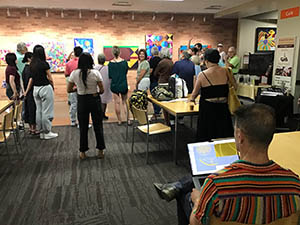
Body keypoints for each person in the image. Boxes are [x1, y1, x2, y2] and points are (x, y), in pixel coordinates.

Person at [154, 103, 300, 225]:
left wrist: (198, 200)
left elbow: (195, 222)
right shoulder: (294, 184)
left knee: (186, 196)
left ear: (240, 136)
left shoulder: (217, 185)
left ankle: (178, 190)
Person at [189, 49, 235, 142]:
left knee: (207, 137)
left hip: (208, 110)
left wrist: (191, 99)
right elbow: (235, 86)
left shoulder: (202, 75)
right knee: (223, 136)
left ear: (206, 61)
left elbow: (194, 94)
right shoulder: (226, 71)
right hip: (223, 108)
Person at [67, 53, 106, 160]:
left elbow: (69, 90)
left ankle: (82, 152)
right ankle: (100, 151)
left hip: (82, 101)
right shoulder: (95, 73)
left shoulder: (74, 73)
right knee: (98, 126)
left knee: (83, 127)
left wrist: (78, 89)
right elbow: (102, 90)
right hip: (94, 100)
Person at [30, 45, 58, 140]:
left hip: (35, 89)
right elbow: (50, 77)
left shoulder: (32, 64)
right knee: (47, 111)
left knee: (39, 111)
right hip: (45, 88)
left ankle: (41, 131)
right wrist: (53, 86)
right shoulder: (44, 64)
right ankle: (47, 132)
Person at [108, 46, 129, 126]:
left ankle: (119, 120)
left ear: (113, 53)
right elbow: (125, 72)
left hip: (114, 85)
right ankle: (128, 120)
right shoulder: (124, 62)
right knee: (124, 102)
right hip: (123, 84)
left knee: (117, 103)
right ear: (120, 52)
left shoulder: (110, 64)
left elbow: (110, 76)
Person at [154, 47, 174, 125]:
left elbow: (155, 73)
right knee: (169, 102)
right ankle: (170, 120)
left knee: (163, 103)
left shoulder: (162, 62)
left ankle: (166, 121)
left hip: (162, 83)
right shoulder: (171, 62)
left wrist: (161, 74)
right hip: (169, 83)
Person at [65, 46, 83, 127]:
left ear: (74, 53)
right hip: (82, 87)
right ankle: (81, 122)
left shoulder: (69, 63)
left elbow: (66, 74)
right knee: (82, 105)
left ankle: (73, 121)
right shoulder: (84, 63)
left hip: (72, 87)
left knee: (73, 104)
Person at [22, 52, 37, 134]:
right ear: (29, 58)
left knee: (29, 109)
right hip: (30, 92)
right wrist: (26, 92)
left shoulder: (25, 68)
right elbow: (30, 81)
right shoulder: (29, 68)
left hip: (27, 91)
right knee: (32, 109)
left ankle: (31, 128)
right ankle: (33, 129)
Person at [95, 53, 112, 120]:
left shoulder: (95, 68)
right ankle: (103, 114)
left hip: (96, 86)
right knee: (104, 102)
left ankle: (98, 115)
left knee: (98, 102)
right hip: (106, 86)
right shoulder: (108, 68)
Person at [149, 46, 162, 120]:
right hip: (160, 80)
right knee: (159, 95)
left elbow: (150, 70)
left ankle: (156, 111)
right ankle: (159, 110)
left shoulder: (152, 60)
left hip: (153, 80)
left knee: (154, 96)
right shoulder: (161, 60)